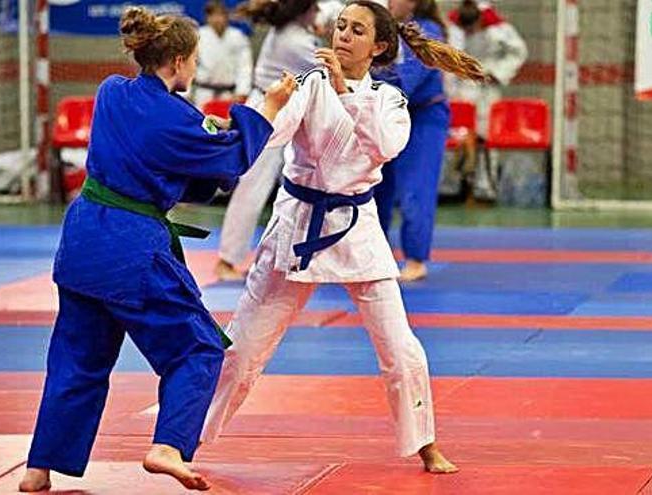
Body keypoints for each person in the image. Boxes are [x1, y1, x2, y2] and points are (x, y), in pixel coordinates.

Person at [18, 6, 295, 492]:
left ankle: (38, 469)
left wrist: (205, 149)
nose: (195, 70)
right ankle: (168, 446)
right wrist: (268, 110)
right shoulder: (177, 121)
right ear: (179, 62)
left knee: (77, 360)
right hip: (132, 249)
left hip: (82, 241)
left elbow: (176, 166)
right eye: (194, 62)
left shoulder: (111, 92)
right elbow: (230, 160)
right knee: (199, 349)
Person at [200, 0, 483, 473]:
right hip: (297, 224)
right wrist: (242, 125)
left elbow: (383, 148)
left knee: (399, 347)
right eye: (341, 27)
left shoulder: (388, 100)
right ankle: (188, 435)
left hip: (356, 226)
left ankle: (425, 442)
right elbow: (274, 132)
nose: (343, 36)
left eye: (357, 30)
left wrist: (343, 91)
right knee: (244, 346)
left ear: (379, 47)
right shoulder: (309, 85)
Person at [214, 0, 322, 281]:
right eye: (315, 10)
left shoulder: (290, 30)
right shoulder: (294, 40)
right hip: (267, 111)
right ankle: (226, 260)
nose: (318, 14)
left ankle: (296, 256)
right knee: (253, 187)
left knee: (298, 184)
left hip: (275, 109)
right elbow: (334, 71)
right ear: (304, 11)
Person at [372, 0, 455, 282]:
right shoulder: (378, 28)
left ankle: (416, 258)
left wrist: (357, 75)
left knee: (415, 188)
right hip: (384, 115)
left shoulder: (428, 31)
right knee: (374, 188)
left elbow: (407, 81)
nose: (391, 1)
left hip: (423, 117)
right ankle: (372, 256)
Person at [452, 0, 528, 200]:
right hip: (458, 87)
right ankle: (450, 187)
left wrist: (498, 72)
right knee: (454, 138)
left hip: (486, 89)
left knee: (486, 138)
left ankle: (485, 188)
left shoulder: (498, 29)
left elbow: (519, 51)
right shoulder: (452, 26)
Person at [192, 0, 253, 106]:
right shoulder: (198, 35)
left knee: (227, 121)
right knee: (203, 121)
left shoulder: (238, 36)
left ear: (226, 17)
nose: (217, 19)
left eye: (220, 15)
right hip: (203, 92)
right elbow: (191, 64)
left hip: (230, 93)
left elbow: (244, 66)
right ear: (207, 18)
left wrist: (242, 91)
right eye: (213, 15)